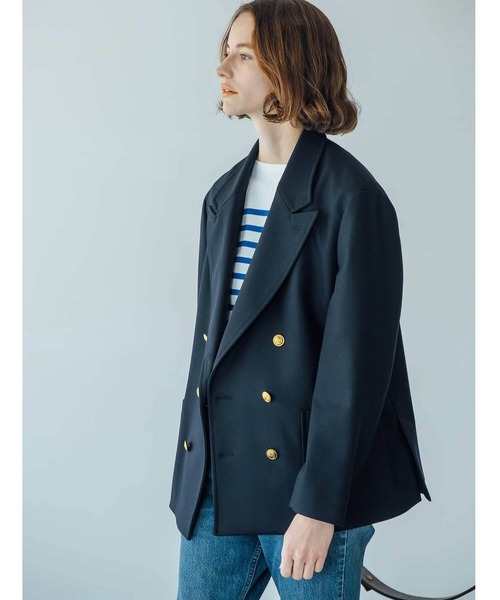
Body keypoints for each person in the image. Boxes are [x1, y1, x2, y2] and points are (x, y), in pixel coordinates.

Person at [169, 1, 431, 598]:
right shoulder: (222, 197)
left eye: (243, 55)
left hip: (308, 488)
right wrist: (191, 474)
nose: (222, 69)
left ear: (289, 66)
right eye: (225, 53)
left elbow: (355, 369)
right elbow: (211, 349)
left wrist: (320, 505)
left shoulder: (352, 198)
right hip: (216, 480)